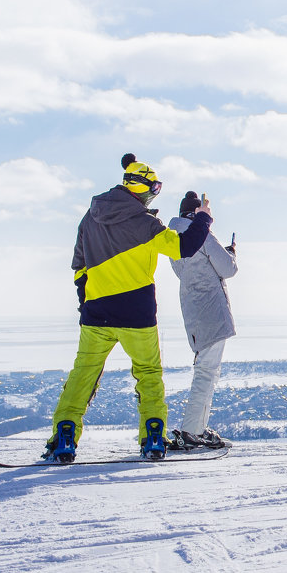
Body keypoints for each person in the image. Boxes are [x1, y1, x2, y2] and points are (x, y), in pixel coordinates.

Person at [44, 154, 213, 463]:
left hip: (96, 313)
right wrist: (203, 217)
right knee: (148, 374)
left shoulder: (90, 218)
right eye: (155, 188)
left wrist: (87, 299)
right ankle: (152, 438)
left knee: (84, 374)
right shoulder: (145, 223)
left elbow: (78, 264)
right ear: (144, 189)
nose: (155, 194)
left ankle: (65, 436)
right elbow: (185, 247)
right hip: (138, 313)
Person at [167, 191, 237, 450]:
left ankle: (195, 427)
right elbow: (228, 269)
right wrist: (230, 253)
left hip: (193, 311)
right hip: (211, 312)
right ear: (197, 212)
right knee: (207, 372)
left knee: (204, 370)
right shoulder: (202, 234)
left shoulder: (174, 239)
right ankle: (193, 431)